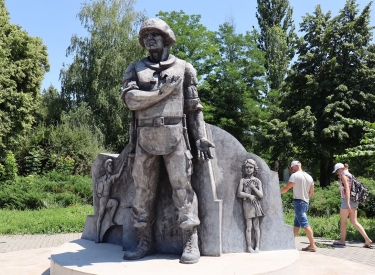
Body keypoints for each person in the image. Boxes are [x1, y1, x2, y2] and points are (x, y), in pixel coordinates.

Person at [120, 18, 215, 264]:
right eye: (146, 35)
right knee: (142, 192)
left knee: (183, 190)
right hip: (144, 138)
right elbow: (131, 100)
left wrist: (201, 137)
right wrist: (161, 93)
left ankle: (190, 241)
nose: (150, 38)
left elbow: (194, 109)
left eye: (155, 34)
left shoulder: (184, 68)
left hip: (175, 137)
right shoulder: (134, 69)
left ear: (166, 37)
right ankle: (144, 242)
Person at [332, 163, 372, 248]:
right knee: (354, 221)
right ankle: (367, 239)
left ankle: (342, 241)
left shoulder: (344, 176)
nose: (337, 173)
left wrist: (347, 203)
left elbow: (347, 190)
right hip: (354, 200)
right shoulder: (350, 175)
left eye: (337, 171)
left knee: (343, 221)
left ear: (340, 169)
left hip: (347, 200)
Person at [280, 160, 317, 252]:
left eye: (292, 168)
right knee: (297, 224)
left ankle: (312, 245)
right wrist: (306, 198)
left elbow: (287, 188)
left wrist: (277, 193)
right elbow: (312, 192)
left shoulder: (295, 176)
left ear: (295, 166)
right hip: (305, 202)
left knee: (305, 224)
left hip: (299, 203)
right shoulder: (309, 177)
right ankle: (289, 243)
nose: (291, 170)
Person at [237, 159, 264, 253]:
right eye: (247, 167)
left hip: (256, 204)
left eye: (251, 167)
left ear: (254, 168)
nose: (248, 169)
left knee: (256, 227)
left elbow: (261, 195)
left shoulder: (257, 181)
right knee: (249, 227)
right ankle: (249, 247)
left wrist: (253, 187)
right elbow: (239, 193)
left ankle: (257, 246)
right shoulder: (243, 180)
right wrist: (249, 195)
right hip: (247, 204)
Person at [96, 158, 126, 243]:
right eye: (110, 165)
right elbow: (98, 188)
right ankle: (97, 237)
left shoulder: (111, 178)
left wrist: (122, 166)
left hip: (108, 199)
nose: (111, 167)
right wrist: (99, 192)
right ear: (106, 167)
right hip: (102, 200)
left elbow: (118, 175)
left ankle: (111, 220)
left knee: (115, 203)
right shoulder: (102, 179)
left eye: (111, 165)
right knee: (100, 217)